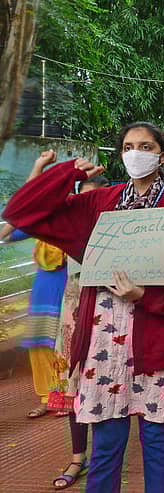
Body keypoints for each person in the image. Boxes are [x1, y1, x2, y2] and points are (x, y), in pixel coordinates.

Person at [2, 121, 164, 493]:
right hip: (103, 344)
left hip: (155, 342)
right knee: (106, 445)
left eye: (145, 147)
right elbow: (21, 213)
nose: (135, 153)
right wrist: (66, 173)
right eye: (128, 146)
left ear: (163, 156)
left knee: (156, 442)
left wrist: (146, 297)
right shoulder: (100, 203)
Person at [48, 173, 109, 490]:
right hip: (73, 314)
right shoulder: (68, 230)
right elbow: (31, 211)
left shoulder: (116, 234)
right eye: (80, 198)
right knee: (74, 389)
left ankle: (102, 457)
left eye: (92, 198)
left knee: (104, 386)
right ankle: (78, 456)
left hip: (108, 316)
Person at [0, 150, 69, 420]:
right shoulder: (38, 220)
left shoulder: (74, 214)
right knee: (40, 343)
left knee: (64, 343)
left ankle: (65, 396)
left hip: (68, 285)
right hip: (44, 285)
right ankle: (46, 396)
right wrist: (38, 164)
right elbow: (13, 221)